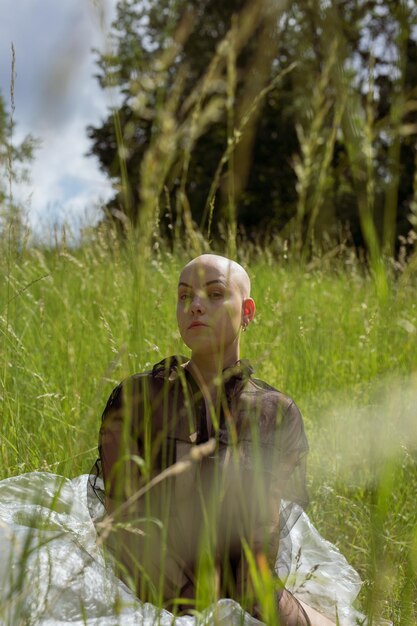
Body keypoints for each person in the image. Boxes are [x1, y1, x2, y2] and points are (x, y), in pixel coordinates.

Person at [88, 253, 336, 625]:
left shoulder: (275, 413)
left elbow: (262, 537)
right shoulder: (138, 398)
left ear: (247, 311)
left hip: (243, 591)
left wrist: (241, 606)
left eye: (215, 294)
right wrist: (193, 609)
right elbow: (125, 524)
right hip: (146, 587)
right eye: (184, 296)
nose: (195, 306)